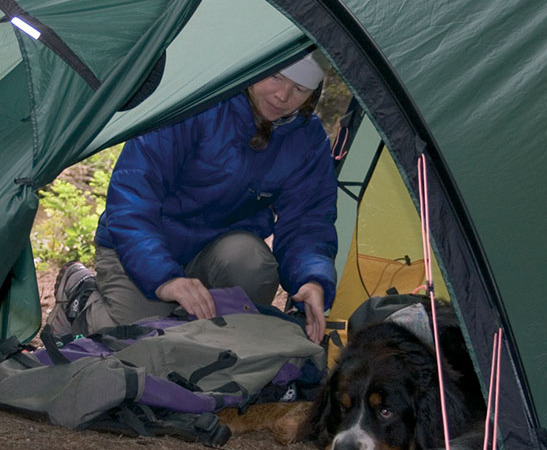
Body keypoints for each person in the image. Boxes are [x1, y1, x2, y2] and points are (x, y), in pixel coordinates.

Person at [46, 52, 338, 344]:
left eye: (300, 89)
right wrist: (165, 278)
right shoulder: (199, 102)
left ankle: (201, 339)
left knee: (253, 266)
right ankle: (80, 298)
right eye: (276, 76)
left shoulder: (307, 140)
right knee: (137, 341)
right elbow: (134, 197)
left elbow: (308, 220)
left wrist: (312, 278)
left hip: (216, 253)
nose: (283, 95)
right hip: (141, 247)